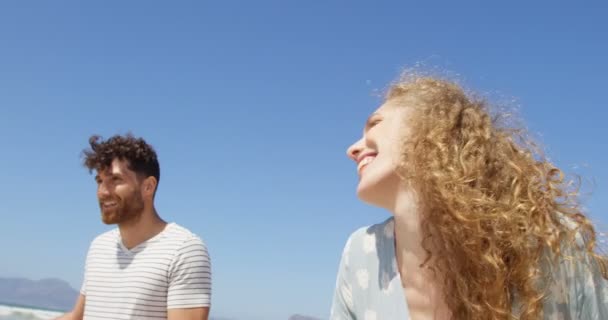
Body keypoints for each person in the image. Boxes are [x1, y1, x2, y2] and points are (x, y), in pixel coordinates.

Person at [330, 73, 607, 320]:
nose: (352, 149)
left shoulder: (549, 242)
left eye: (375, 124)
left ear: (432, 129)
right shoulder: (361, 254)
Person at [55, 134, 211, 320]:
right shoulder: (99, 246)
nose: (103, 192)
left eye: (115, 180)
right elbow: (77, 318)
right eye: (99, 181)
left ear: (148, 187)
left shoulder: (184, 250)